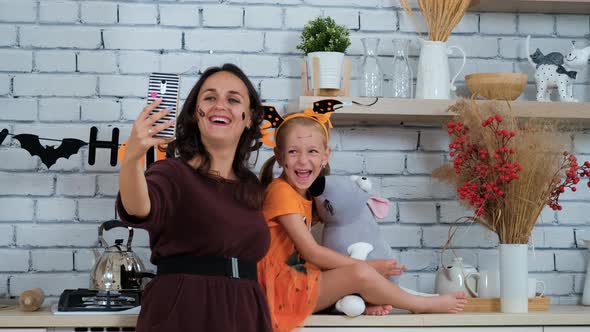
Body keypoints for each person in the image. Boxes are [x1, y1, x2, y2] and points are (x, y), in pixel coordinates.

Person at [257, 111, 467, 332]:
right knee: (360, 273)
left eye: (312, 151)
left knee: (351, 274)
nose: (302, 160)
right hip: (284, 291)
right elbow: (312, 253)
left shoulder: (304, 195)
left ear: (325, 156)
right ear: (280, 157)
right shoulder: (281, 192)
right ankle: (421, 304)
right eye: (293, 152)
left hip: (302, 282)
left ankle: (357, 303)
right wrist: (369, 266)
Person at [116, 63, 272, 332]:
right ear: (195, 114)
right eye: (210, 98)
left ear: (249, 117)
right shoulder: (173, 173)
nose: (220, 105)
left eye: (233, 99)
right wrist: (132, 158)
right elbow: (139, 208)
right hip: (186, 311)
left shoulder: (251, 187)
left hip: (246, 311)